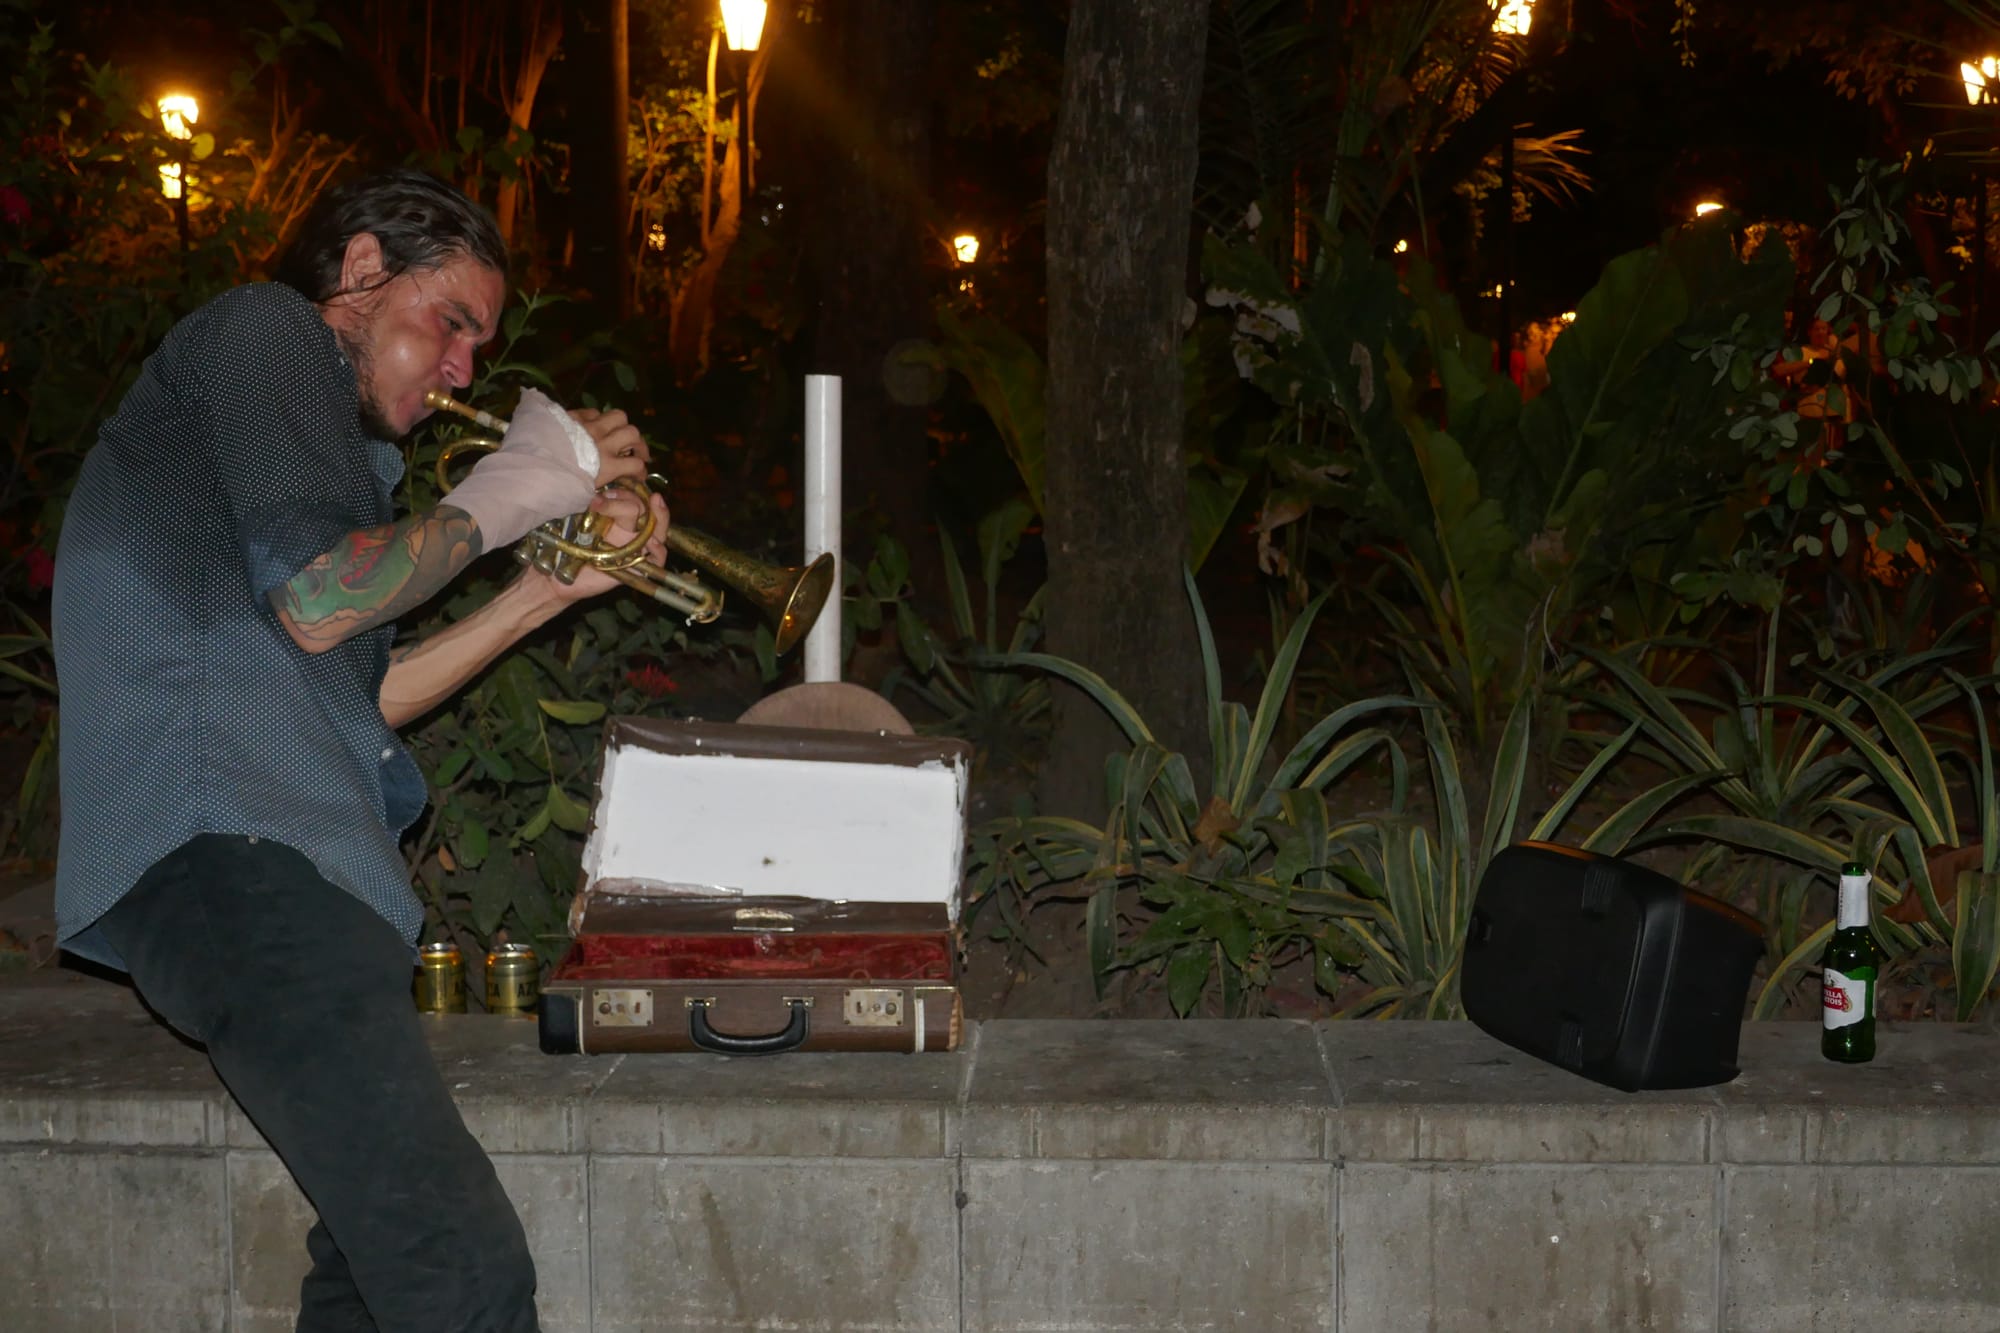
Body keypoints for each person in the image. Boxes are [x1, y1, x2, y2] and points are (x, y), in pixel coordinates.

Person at [50, 167, 666, 1332]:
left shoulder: (322, 463)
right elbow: (323, 601)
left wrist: (547, 590)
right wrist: (526, 482)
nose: (463, 371)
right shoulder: (264, 329)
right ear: (363, 269)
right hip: (233, 856)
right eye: (453, 324)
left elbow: (354, 692)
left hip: (281, 875)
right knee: (460, 1271)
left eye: (479, 348)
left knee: (369, 1293)